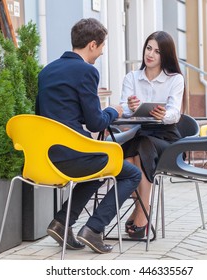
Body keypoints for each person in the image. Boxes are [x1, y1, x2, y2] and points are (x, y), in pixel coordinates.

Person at [36, 18, 141, 254]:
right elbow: (96, 122)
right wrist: (116, 110)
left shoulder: (47, 71)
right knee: (131, 174)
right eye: (102, 47)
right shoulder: (86, 71)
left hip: (46, 156)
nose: (102, 53)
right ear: (92, 45)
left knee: (96, 173)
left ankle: (62, 223)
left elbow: (44, 115)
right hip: (73, 155)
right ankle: (93, 229)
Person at [120, 31, 184, 238]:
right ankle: (143, 211)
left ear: (164, 56)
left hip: (167, 138)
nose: (151, 54)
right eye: (149, 48)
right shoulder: (131, 77)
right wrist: (129, 107)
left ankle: (141, 214)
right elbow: (124, 108)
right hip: (141, 134)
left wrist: (164, 114)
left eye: (157, 51)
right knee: (128, 152)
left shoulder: (175, 79)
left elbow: (175, 113)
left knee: (139, 146)